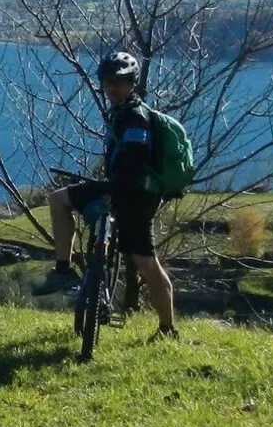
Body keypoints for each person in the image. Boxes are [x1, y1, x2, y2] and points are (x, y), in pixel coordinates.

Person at [32, 51, 179, 341]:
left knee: (58, 200)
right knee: (146, 262)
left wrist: (110, 190)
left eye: (118, 82)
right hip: (141, 195)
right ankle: (166, 328)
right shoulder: (127, 112)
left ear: (132, 83)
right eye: (107, 83)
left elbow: (134, 157)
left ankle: (63, 269)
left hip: (130, 193)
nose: (111, 88)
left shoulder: (134, 117)